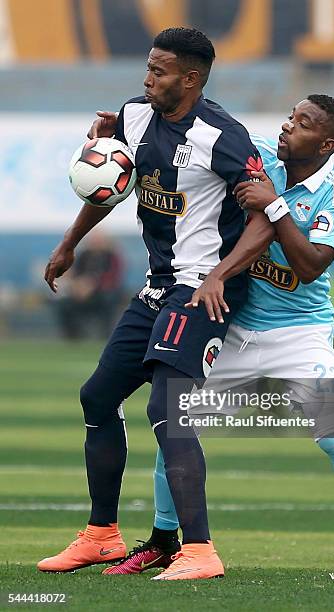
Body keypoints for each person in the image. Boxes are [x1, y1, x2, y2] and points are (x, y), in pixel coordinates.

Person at [102, 95, 334, 581]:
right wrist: (129, 129)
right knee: (174, 422)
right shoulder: (258, 153)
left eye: (302, 124)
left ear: (326, 144)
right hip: (234, 324)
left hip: (299, 332)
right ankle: (162, 540)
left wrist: (276, 207)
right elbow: (195, 138)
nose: (287, 127)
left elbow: (308, 267)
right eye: (290, 117)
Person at [38, 27, 272, 580]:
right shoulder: (134, 117)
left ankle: (199, 551)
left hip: (203, 290)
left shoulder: (224, 137)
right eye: (148, 67)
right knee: (97, 396)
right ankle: (101, 536)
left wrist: (219, 274)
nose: (148, 79)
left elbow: (265, 217)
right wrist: (70, 243)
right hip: (157, 287)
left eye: (159, 72)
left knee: (168, 409)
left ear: (190, 80)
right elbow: (109, 185)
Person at [52, 230, 124, 339]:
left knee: (109, 299)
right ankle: (72, 337)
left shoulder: (112, 256)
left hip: (103, 293)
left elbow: (113, 277)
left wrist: (93, 285)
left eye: (98, 239)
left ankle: (106, 336)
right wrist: (77, 285)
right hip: (81, 293)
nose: (95, 242)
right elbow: (74, 273)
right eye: (93, 239)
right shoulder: (83, 255)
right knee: (64, 303)